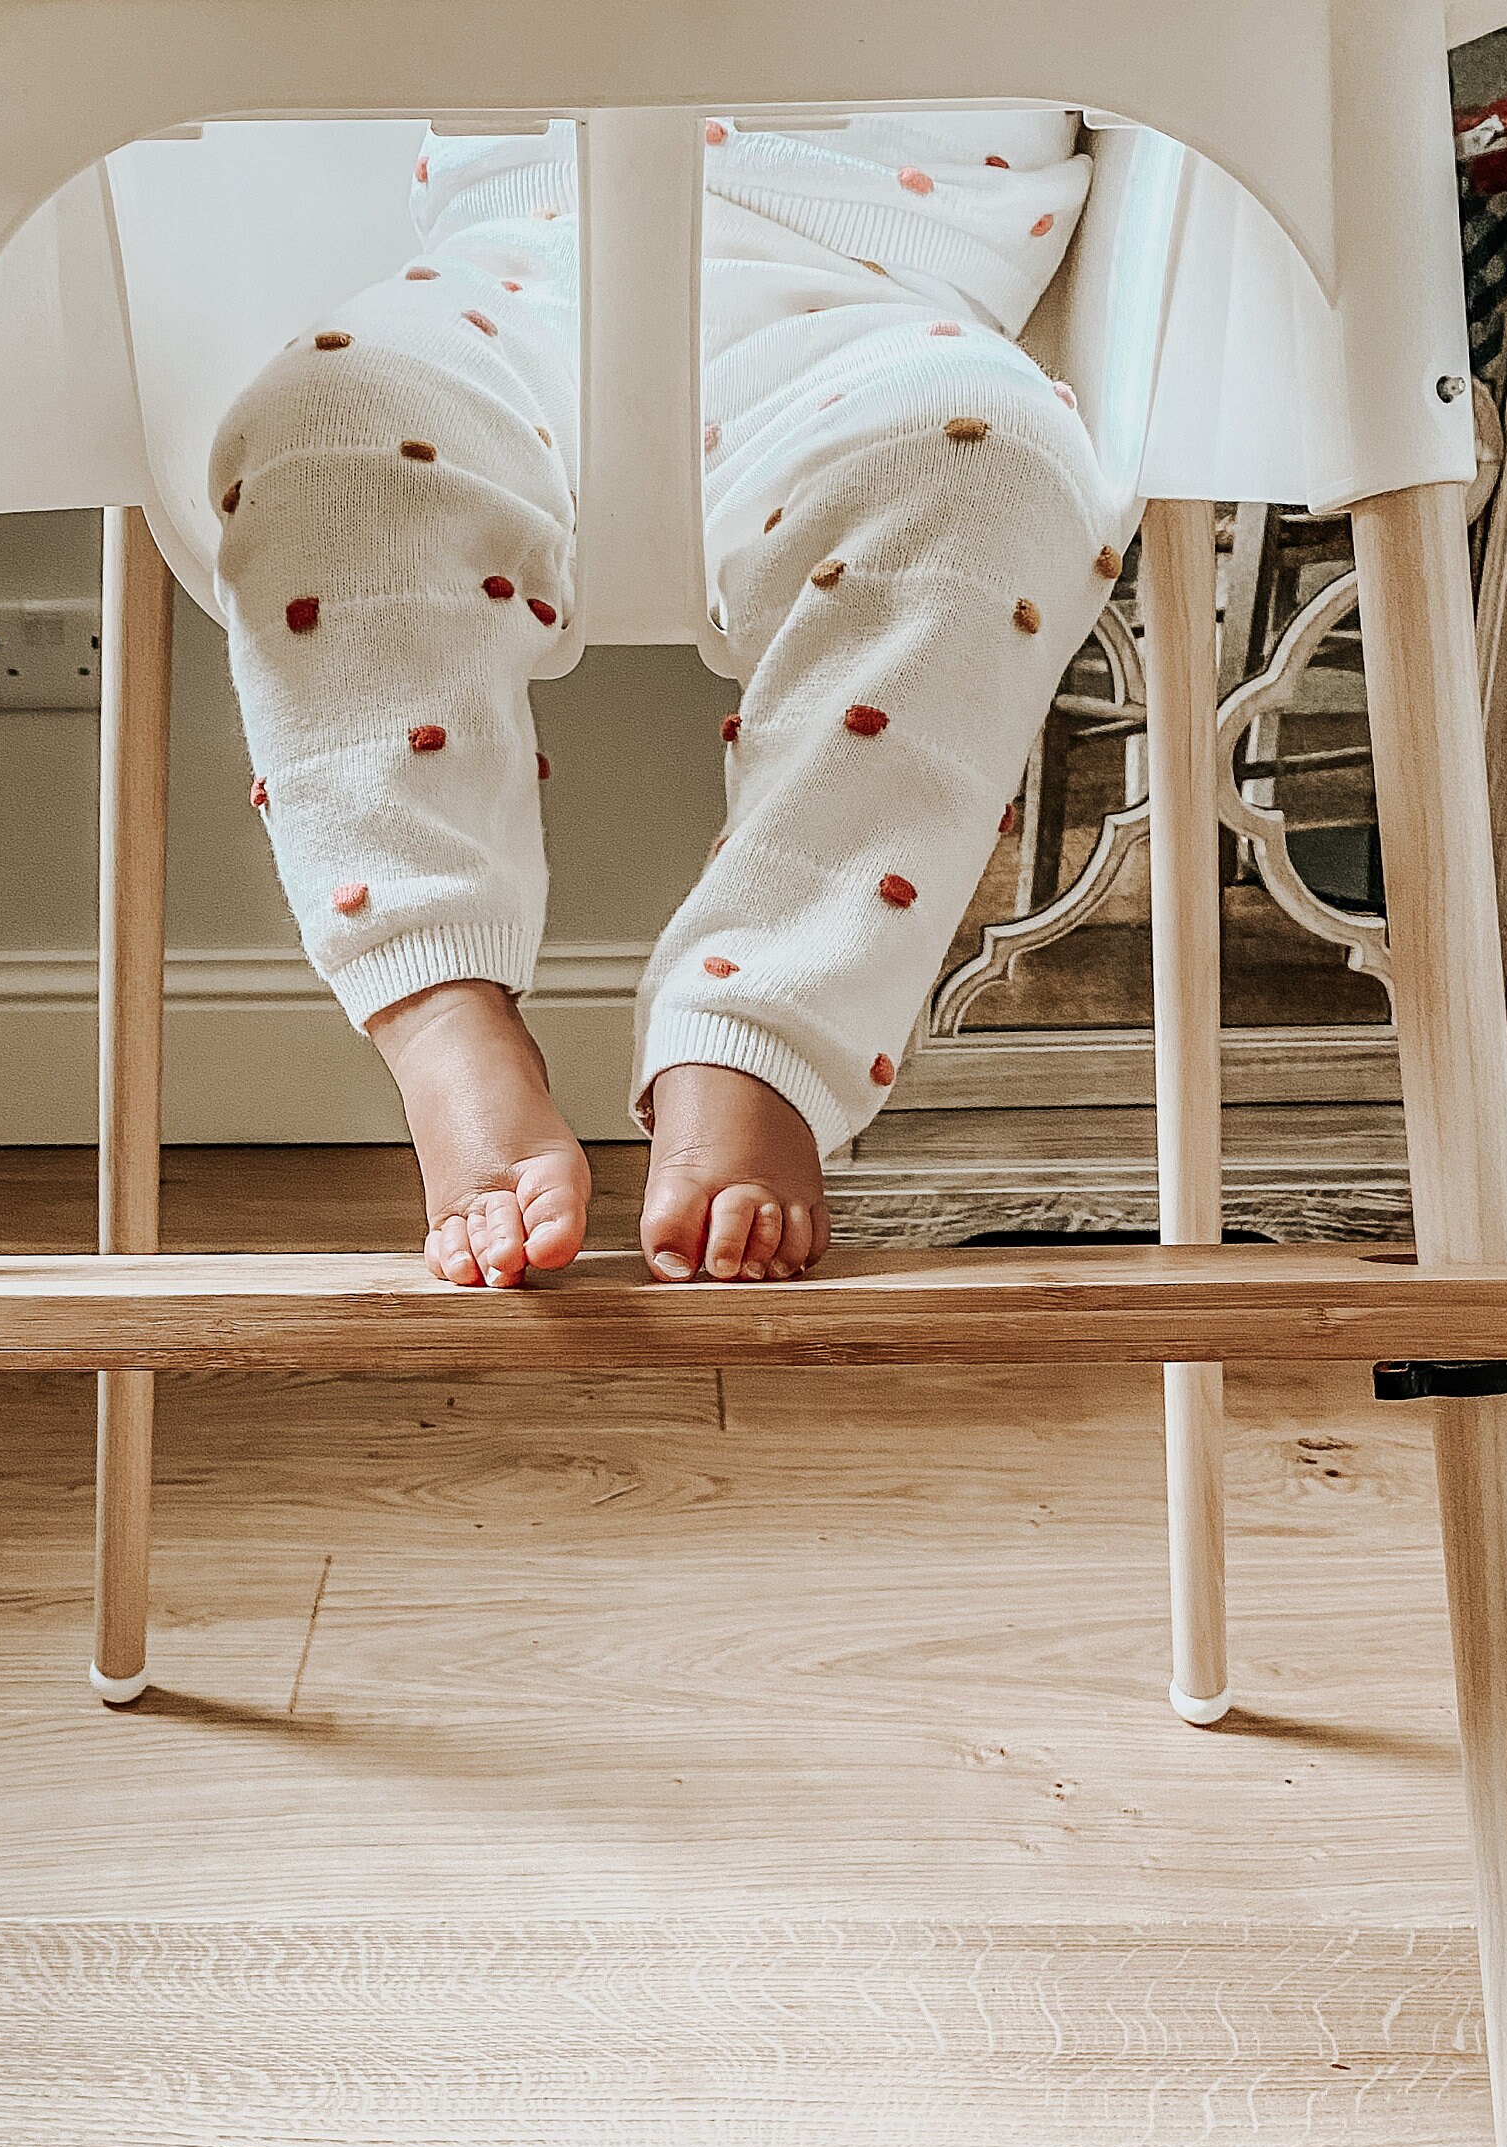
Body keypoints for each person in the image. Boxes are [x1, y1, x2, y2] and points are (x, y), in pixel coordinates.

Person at [211, 113, 1121, 1286]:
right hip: (513, 267)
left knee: (989, 467)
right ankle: (439, 1013)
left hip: (888, 301)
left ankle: (753, 1032)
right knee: (327, 427)